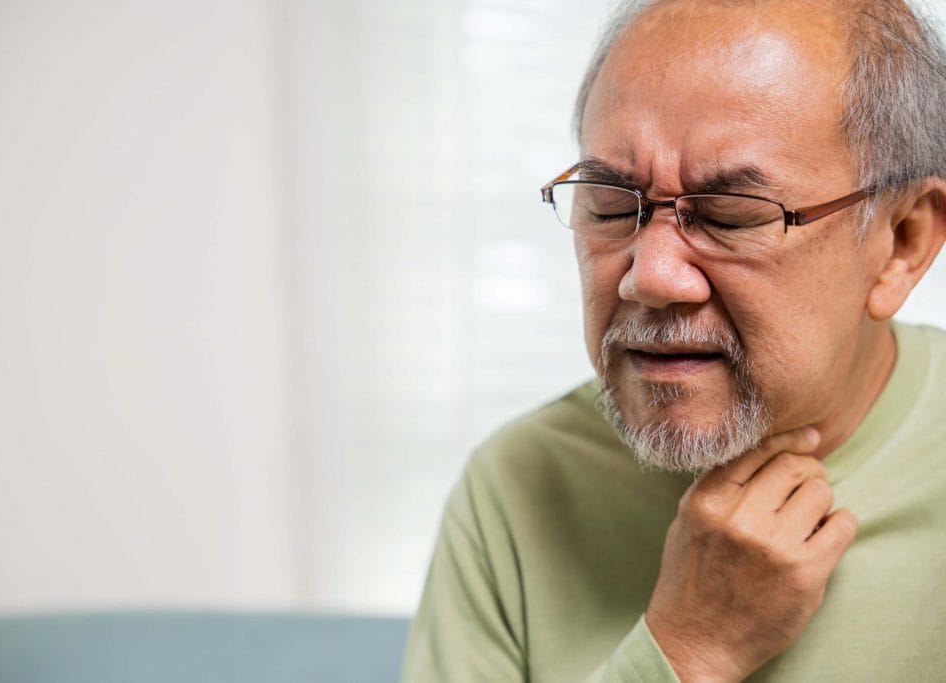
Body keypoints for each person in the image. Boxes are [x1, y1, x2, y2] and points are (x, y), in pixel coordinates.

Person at [402, 0, 946, 680]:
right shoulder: (519, 486)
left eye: (730, 215)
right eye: (607, 202)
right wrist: (688, 649)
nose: (650, 276)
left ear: (903, 241)